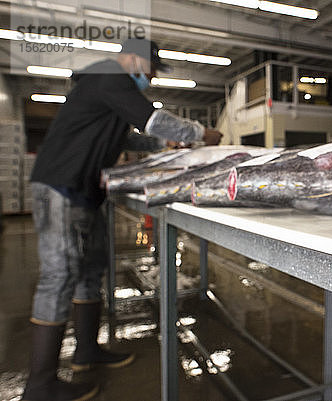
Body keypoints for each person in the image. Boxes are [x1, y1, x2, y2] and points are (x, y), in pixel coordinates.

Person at [23, 38, 222, 401]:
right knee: (60, 274)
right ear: (133, 58)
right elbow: (153, 120)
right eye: (149, 70)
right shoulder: (109, 74)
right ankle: (39, 385)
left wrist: (163, 147)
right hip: (60, 187)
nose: (151, 78)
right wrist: (200, 133)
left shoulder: (109, 88)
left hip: (83, 189)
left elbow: (128, 136)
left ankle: (86, 351)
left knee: (90, 269)